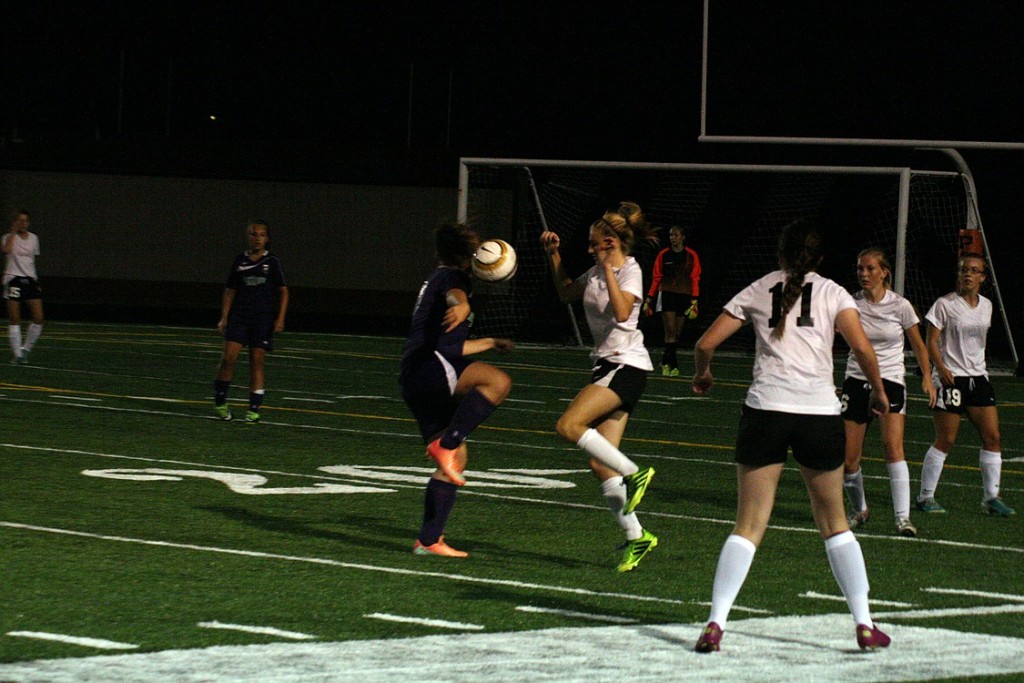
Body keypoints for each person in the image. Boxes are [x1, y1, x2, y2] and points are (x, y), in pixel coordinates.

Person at [691, 219, 892, 653]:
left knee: (748, 525)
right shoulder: (835, 293)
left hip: (765, 410)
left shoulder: (758, 288)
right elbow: (860, 348)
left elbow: (706, 343)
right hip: (817, 413)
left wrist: (703, 374)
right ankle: (863, 622)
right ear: (819, 258)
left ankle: (715, 622)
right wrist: (878, 391)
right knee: (835, 523)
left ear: (779, 254)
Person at [539, 201, 659, 573]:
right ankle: (637, 537)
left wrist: (608, 268)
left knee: (568, 425)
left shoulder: (631, 271)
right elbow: (566, 294)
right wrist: (554, 255)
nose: (590, 250)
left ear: (610, 242)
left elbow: (623, 313)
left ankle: (636, 472)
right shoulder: (596, 269)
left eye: (595, 244)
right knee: (599, 461)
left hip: (626, 365)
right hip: (609, 365)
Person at [400, 222, 514, 558]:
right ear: (468, 259)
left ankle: (429, 540)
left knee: (458, 459)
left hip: (416, 375)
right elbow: (456, 297)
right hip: (430, 370)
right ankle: (445, 443)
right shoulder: (452, 280)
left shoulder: (436, 277)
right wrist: (462, 304)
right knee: (498, 382)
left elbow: (454, 348)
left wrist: (491, 342)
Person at [841, 248, 937, 538]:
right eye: (860, 269)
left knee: (893, 448)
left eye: (870, 269)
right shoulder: (848, 303)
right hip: (856, 380)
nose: (864, 274)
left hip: (892, 379)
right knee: (848, 459)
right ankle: (860, 510)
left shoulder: (901, 306)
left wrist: (927, 378)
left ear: (884, 272)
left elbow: (919, 345)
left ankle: (902, 518)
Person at [916, 253, 1015, 517]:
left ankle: (991, 498)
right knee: (946, 439)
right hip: (951, 378)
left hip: (978, 378)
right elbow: (931, 341)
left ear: (983, 277)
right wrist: (941, 368)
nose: (967, 274)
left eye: (973, 270)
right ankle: (925, 497)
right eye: (963, 270)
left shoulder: (987, 306)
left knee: (993, 437)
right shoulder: (944, 305)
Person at [213, 220, 289, 423]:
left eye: (262, 235)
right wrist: (224, 317)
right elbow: (230, 290)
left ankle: (254, 409)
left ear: (267, 238)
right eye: (254, 234)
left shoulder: (272, 262)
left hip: (262, 319)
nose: (258, 238)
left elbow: (283, 291)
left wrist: (280, 318)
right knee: (228, 359)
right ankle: (220, 401)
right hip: (240, 317)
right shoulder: (240, 261)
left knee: (257, 362)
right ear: (248, 237)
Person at [642, 225, 701, 376]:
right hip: (667, 294)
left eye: (675, 235)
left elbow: (695, 278)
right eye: (670, 235)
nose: (672, 238)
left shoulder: (691, 255)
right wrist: (649, 298)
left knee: (677, 333)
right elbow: (656, 278)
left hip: (684, 296)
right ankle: (673, 364)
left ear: (683, 237)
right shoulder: (663, 255)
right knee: (670, 330)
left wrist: (694, 299)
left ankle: (664, 361)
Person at [2, 210, 44, 364]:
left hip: (30, 280)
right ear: (15, 222)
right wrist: (13, 231)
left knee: (38, 317)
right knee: (15, 318)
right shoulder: (7, 237)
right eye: (19, 220)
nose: (23, 223)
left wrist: (36, 281)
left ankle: (25, 349)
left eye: (25, 220)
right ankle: (17, 355)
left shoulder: (34, 238)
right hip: (13, 279)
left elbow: (32, 261)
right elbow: (5, 250)